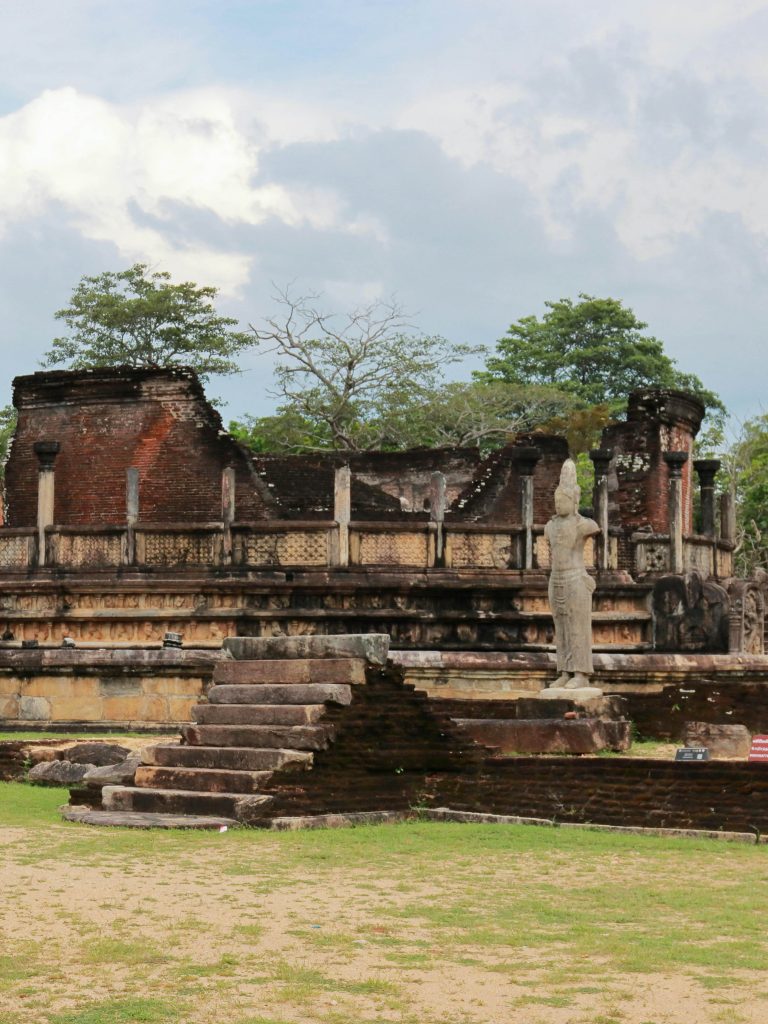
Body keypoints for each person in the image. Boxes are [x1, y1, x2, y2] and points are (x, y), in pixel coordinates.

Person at [545, 459, 600, 688]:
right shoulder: (550, 526)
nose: (559, 504)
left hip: (576, 579)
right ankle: (565, 671)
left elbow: (596, 526)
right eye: (556, 500)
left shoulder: (583, 525)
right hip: (556, 579)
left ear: (574, 501)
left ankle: (581, 673)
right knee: (562, 628)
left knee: (578, 627)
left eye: (563, 500)